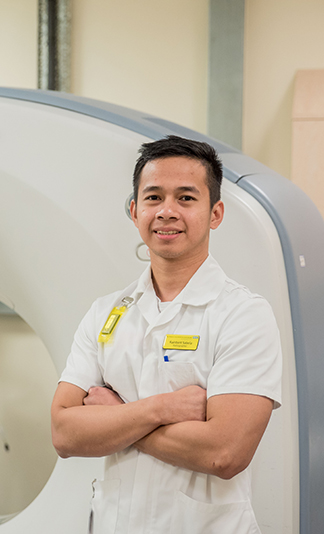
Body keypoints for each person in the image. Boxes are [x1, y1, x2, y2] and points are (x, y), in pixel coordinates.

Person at [50, 135, 282, 534]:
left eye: (186, 198)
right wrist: (161, 410)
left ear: (215, 213)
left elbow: (224, 453)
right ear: (134, 209)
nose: (167, 211)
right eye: (154, 197)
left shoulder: (243, 314)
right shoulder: (105, 313)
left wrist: (114, 418)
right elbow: (64, 433)